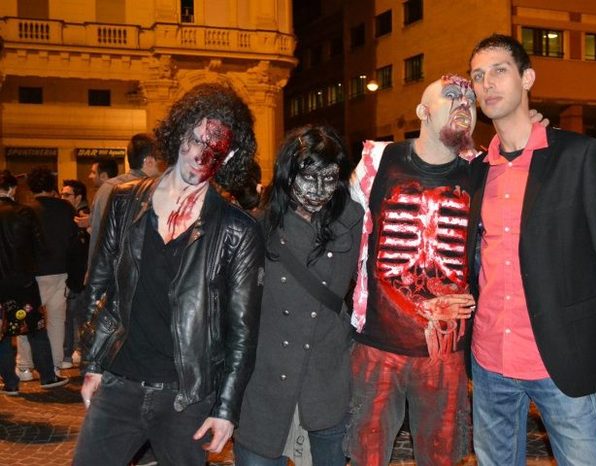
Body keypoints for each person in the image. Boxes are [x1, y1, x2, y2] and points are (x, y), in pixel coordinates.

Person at [466, 34, 596, 465]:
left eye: (499, 71)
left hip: (559, 356)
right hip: (490, 358)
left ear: (527, 78)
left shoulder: (577, 155)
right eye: (478, 76)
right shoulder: (477, 172)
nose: (487, 83)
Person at [73, 83, 264, 466]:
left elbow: (242, 332)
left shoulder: (237, 230)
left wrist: (226, 408)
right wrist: (93, 363)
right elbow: (97, 286)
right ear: (179, 133)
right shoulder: (124, 202)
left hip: (186, 399)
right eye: (195, 140)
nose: (199, 156)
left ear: (227, 157)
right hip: (119, 383)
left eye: (214, 150)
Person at [345, 74, 477, 466]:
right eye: (450, 95)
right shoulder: (377, 162)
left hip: (445, 353)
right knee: (366, 455)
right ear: (423, 111)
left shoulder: (482, 170)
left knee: (442, 457)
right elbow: (341, 230)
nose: (463, 104)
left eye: (470, 99)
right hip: (377, 345)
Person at [235, 125, 362, 465]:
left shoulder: (353, 221)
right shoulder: (258, 227)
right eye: (309, 177)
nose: (319, 190)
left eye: (329, 178)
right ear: (287, 174)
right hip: (267, 375)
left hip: (326, 374)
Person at [0, 170, 70, 393]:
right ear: (12, 189)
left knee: (2, 335)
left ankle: (10, 383)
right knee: (35, 329)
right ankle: (48, 376)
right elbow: (39, 247)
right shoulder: (24, 212)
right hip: (23, 282)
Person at [16, 168, 80, 376]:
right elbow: (73, 241)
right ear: (51, 186)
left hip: (33, 274)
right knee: (56, 321)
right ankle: (55, 365)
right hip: (61, 272)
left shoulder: (26, 209)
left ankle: (25, 366)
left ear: (31, 187)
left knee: (27, 319)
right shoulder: (66, 208)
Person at [87, 133, 160, 265]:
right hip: (134, 270)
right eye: (161, 160)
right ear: (149, 161)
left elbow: (96, 233)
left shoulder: (107, 187)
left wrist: (93, 270)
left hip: (108, 269)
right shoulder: (153, 190)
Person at [61, 179, 90, 367]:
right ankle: (76, 353)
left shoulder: (82, 217)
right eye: (62, 194)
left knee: (76, 317)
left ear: (78, 197)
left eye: (67, 195)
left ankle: (74, 354)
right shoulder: (73, 215)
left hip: (80, 277)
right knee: (75, 316)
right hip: (77, 277)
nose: (63, 197)